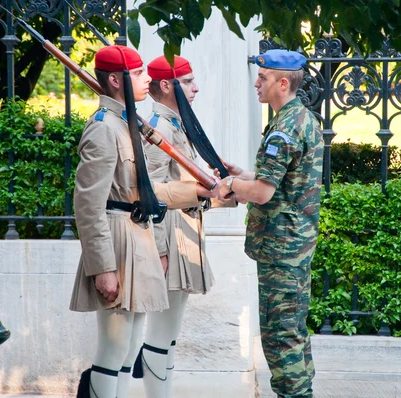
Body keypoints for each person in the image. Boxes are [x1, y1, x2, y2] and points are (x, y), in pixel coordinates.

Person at [218, 49, 324, 398]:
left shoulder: (284, 128)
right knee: (293, 330)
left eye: (262, 78)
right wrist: (243, 175)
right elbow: (283, 181)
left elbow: (262, 193)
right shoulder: (302, 119)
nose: (255, 83)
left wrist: (233, 186)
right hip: (294, 244)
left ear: (282, 82)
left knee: (281, 336)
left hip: (282, 247)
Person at [69, 45, 170, 398]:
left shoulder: (127, 123)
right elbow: (88, 204)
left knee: (129, 348)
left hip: (137, 235)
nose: (148, 79)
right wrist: (103, 268)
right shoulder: (102, 128)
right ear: (115, 80)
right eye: (140, 73)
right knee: (112, 350)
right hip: (115, 241)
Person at [131, 54, 229, 397]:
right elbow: (150, 196)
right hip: (169, 239)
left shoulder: (175, 125)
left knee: (169, 333)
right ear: (166, 86)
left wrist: (220, 194)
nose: (196, 88)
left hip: (182, 235)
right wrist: (158, 251)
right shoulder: (159, 128)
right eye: (188, 82)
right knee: (162, 333)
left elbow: (186, 187)